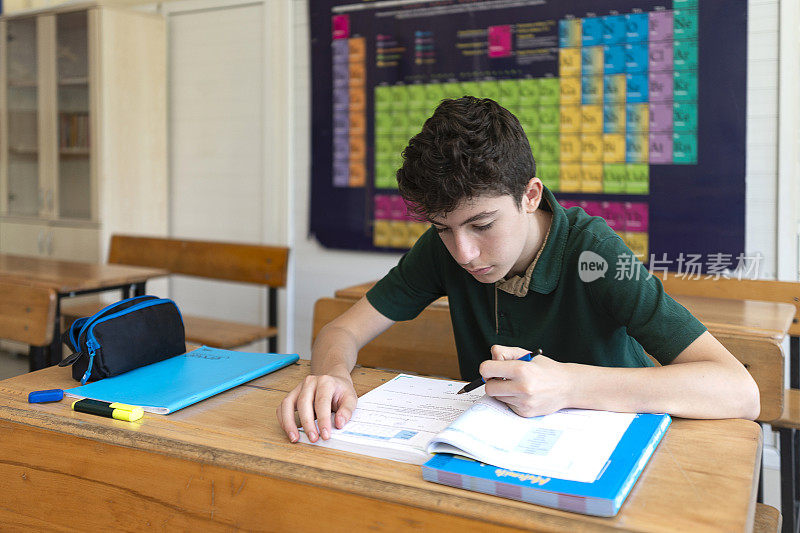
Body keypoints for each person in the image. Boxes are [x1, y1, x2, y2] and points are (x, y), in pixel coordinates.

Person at [278, 96, 759, 444]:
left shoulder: (596, 253)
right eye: (443, 228)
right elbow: (340, 330)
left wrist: (568, 385)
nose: (463, 252)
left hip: (613, 452)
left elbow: (738, 390)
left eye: (482, 224)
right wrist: (332, 375)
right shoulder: (443, 248)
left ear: (530, 196)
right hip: (497, 453)